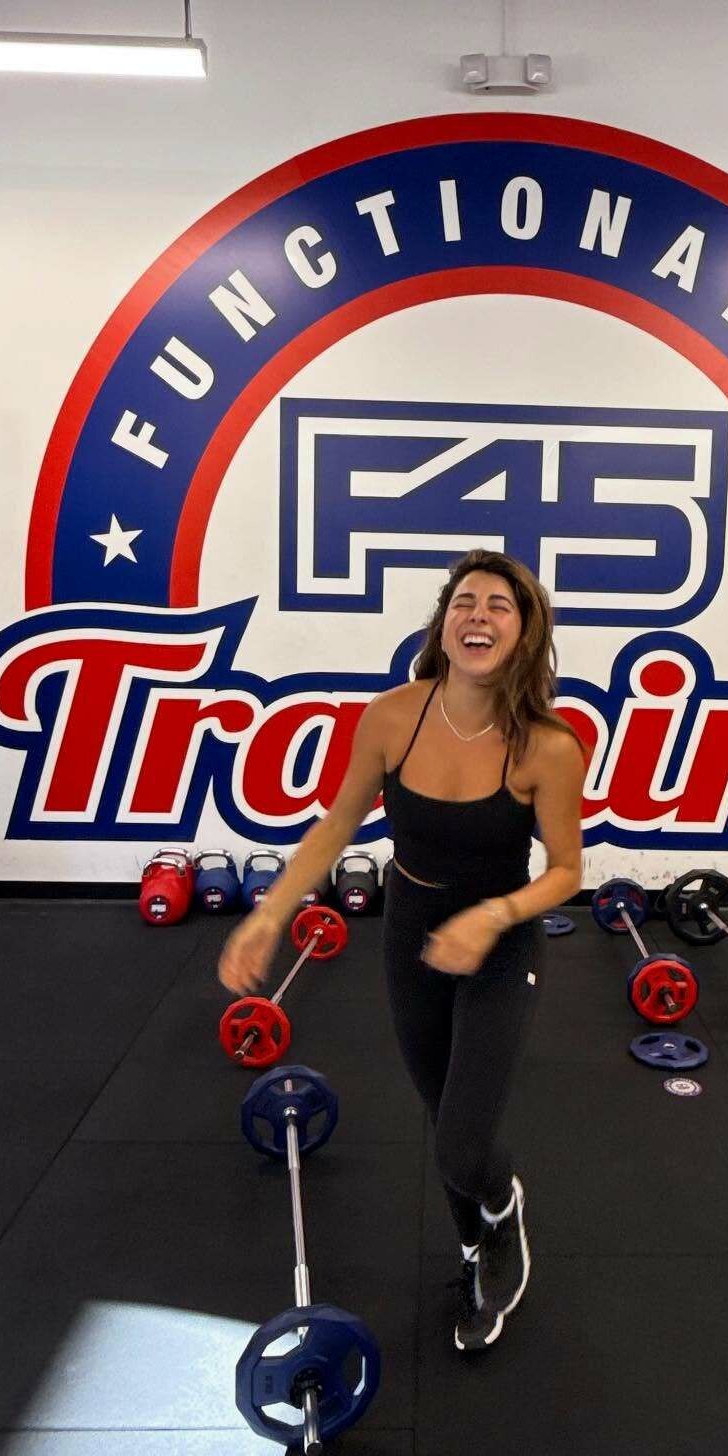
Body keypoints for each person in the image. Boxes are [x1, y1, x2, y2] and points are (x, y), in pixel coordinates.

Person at [218, 549, 585, 1351]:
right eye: (464, 602)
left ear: (524, 633)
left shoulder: (548, 746)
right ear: (442, 622)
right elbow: (337, 825)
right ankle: (474, 1248)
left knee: (462, 1139)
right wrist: (271, 913)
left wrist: (494, 916)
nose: (478, 616)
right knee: (438, 1110)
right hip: (411, 928)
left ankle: (503, 1209)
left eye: (498, 605)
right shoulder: (392, 716)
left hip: (499, 939)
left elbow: (566, 872)